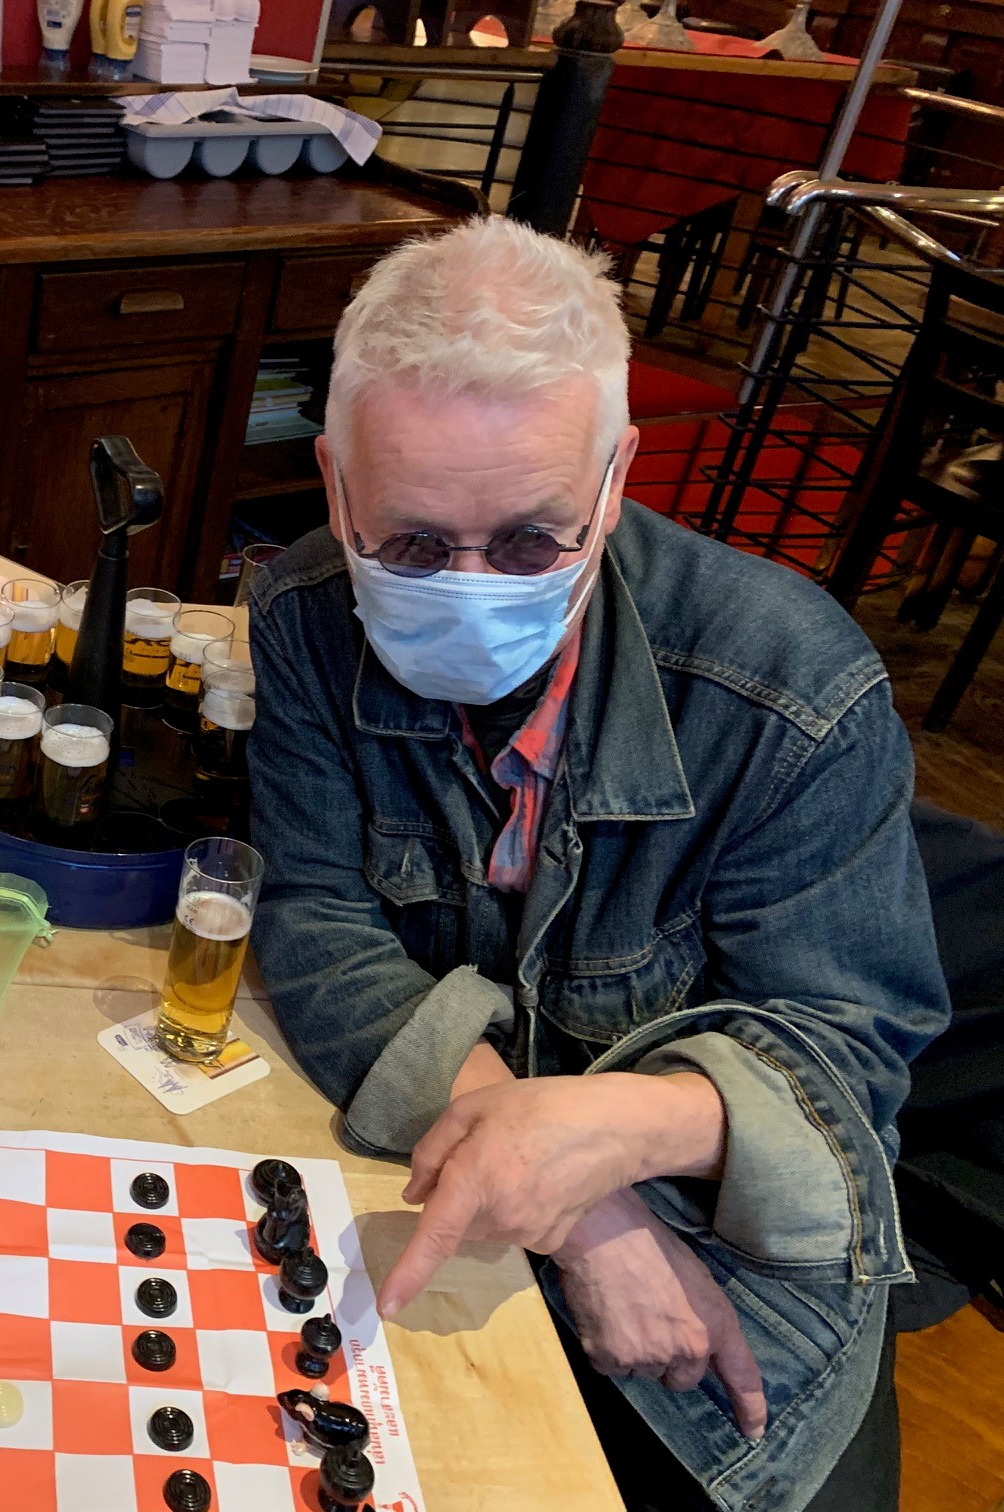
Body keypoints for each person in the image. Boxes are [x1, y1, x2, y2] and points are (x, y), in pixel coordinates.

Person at [247, 217, 949, 1512]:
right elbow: (318, 918)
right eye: (412, 545)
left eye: (531, 542)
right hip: (456, 1164)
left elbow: (850, 1052)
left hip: (721, 1228)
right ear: (337, 486)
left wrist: (605, 1143)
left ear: (616, 478)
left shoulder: (792, 686)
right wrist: (577, 1208)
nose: (470, 588)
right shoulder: (302, 613)